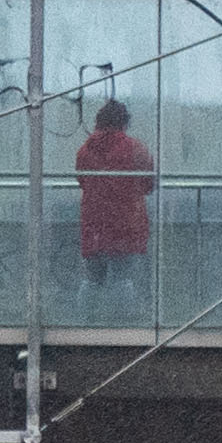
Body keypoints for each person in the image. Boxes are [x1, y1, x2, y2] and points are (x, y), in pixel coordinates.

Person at [75, 98, 151, 305]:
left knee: (92, 279)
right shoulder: (136, 148)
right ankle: (123, 324)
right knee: (122, 279)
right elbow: (149, 183)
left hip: (94, 223)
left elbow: (82, 180)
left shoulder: (85, 150)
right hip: (126, 223)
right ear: (124, 122)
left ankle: (83, 321)